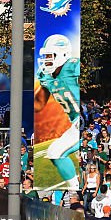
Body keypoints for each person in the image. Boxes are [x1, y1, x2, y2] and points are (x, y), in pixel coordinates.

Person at [33, 32, 83, 189]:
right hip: (75, 121)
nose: (46, 60)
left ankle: (75, 188)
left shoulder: (73, 66)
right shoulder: (46, 75)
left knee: (56, 151)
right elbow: (38, 105)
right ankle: (75, 186)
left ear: (62, 55)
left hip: (84, 121)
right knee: (54, 151)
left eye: (50, 56)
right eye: (45, 56)